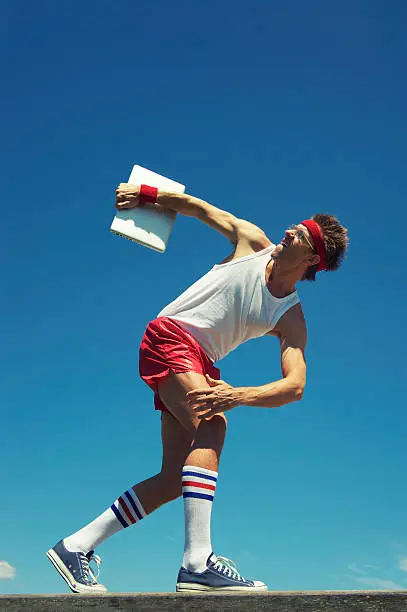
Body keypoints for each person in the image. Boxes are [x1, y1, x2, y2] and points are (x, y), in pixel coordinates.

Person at [47, 183, 349, 593]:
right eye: (294, 226)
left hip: (199, 361)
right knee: (214, 425)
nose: (289, 231)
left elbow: (295, 386)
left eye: (300, 234)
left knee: (174, 478)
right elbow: (198, 207)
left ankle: (75, 547)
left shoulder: (291, 319)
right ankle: (196, 562)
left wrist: (236, 394)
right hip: (171, 337)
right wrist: (145, 194)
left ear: (312, 257)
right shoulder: (252, 241)